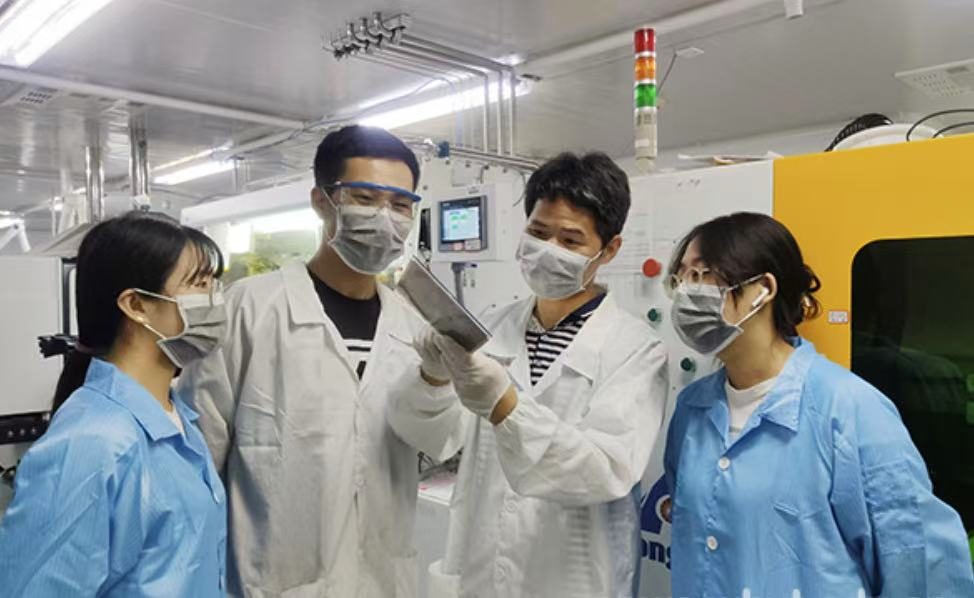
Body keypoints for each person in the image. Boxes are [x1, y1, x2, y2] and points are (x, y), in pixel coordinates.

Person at [180, 125, 464, 597]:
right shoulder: (248, 310)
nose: (385, 218)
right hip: (272, 581)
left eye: (400, 205)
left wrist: (438, 379)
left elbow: (439, 441)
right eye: (365, 199)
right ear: (321, 201)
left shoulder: (412, 325)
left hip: (381, 581)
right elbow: (198, 460)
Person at [391, 152, 669, 597]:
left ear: (610, 249)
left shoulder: (635, 348)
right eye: (538, 233)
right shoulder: (493, 326)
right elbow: (436, 438)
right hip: (483, 570)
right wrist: (433, 377)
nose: (548, 251)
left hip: (573, 578)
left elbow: (606, 469)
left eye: (570, 240)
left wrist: (506, 406)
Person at [662, 212, 974, 597]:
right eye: (681, 278)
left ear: (763, 289)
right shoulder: (692, 409)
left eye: (703, 274)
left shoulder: (849, 409)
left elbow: (916, 562)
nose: (687, 293)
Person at [0, 212, 228, 596]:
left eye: (214, 284)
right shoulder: (93, 444)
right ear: (136, 305)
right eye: (198, 284)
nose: (215, 299)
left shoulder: (176, 420)